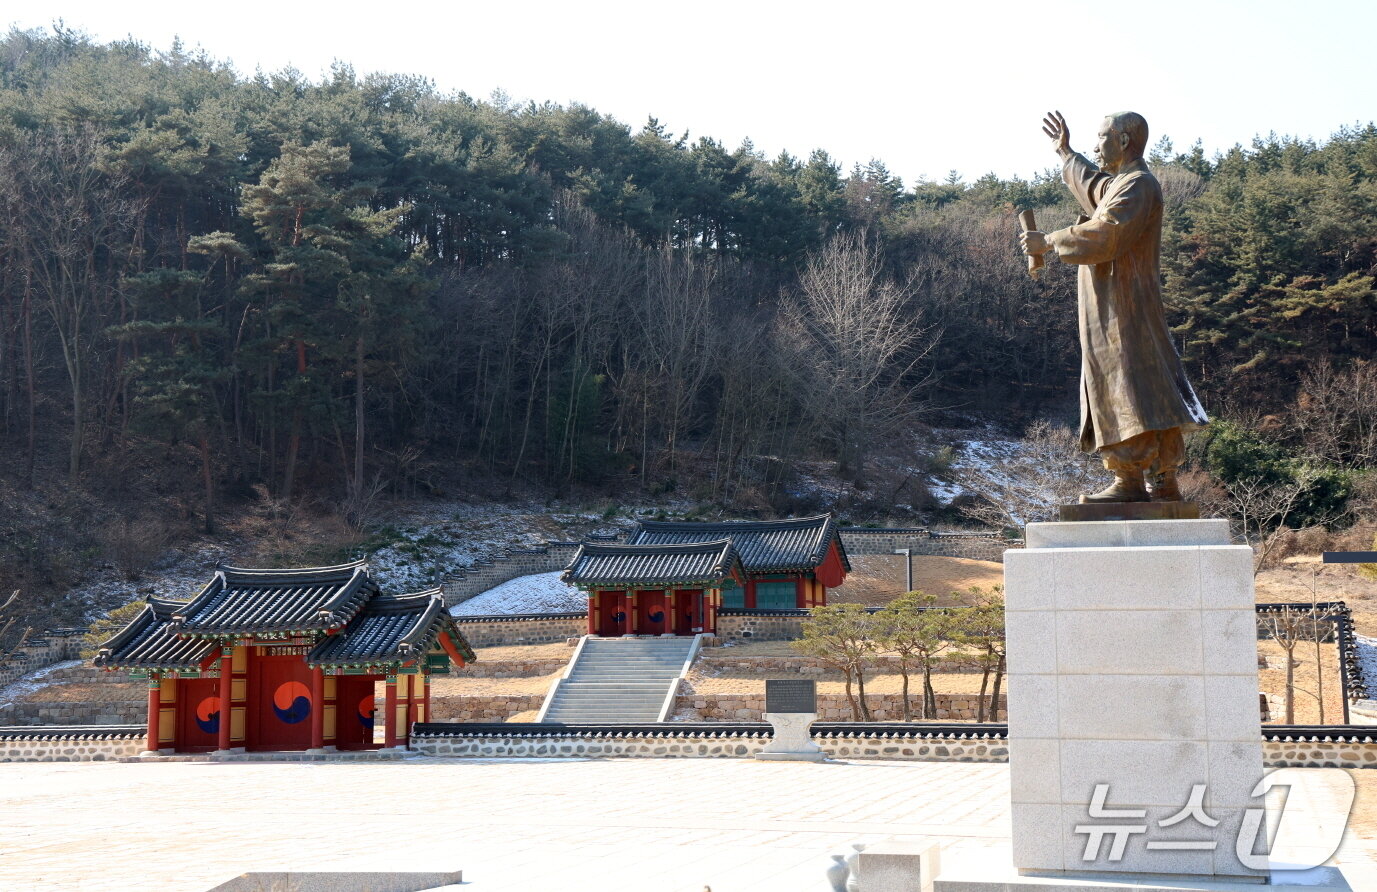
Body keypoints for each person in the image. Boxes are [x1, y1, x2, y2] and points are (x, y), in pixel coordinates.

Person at [1020, 110, 1208, 503]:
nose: (1096, 144)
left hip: (1121, 310)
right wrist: (1066, 154)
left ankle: (1130, 479)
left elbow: (1107, 234)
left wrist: (1050, 241)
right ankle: (1162, 480)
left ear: (1123, 142)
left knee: (1125, 382)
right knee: (1145, 382)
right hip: (1125, 306)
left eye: (1101, 137)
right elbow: (1097, 189)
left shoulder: (1138, 185)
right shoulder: (1125, 184)